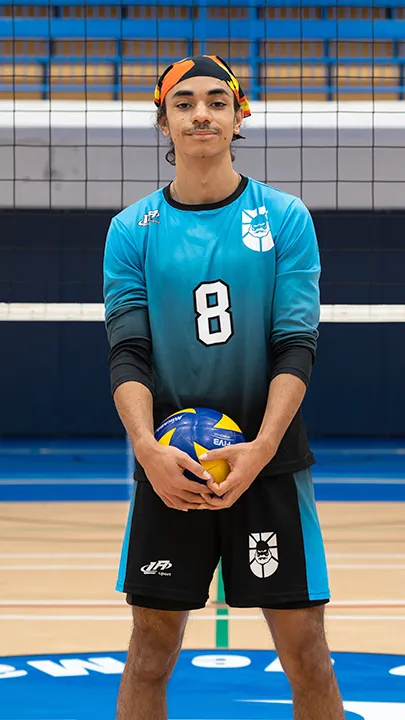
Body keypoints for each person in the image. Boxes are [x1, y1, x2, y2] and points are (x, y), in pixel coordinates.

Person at [103, 55, 344, 720]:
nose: (200, 113)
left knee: (307, 655)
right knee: (149, 654)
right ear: (164, 122)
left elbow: (295, 344)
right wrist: (149, 454)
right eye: (183, 103)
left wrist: (263, 446)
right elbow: (128, 353)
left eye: (215, 100)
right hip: (171, 465)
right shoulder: (130, 230)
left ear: (241, 114)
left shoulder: (285, 216)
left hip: (267, 467)